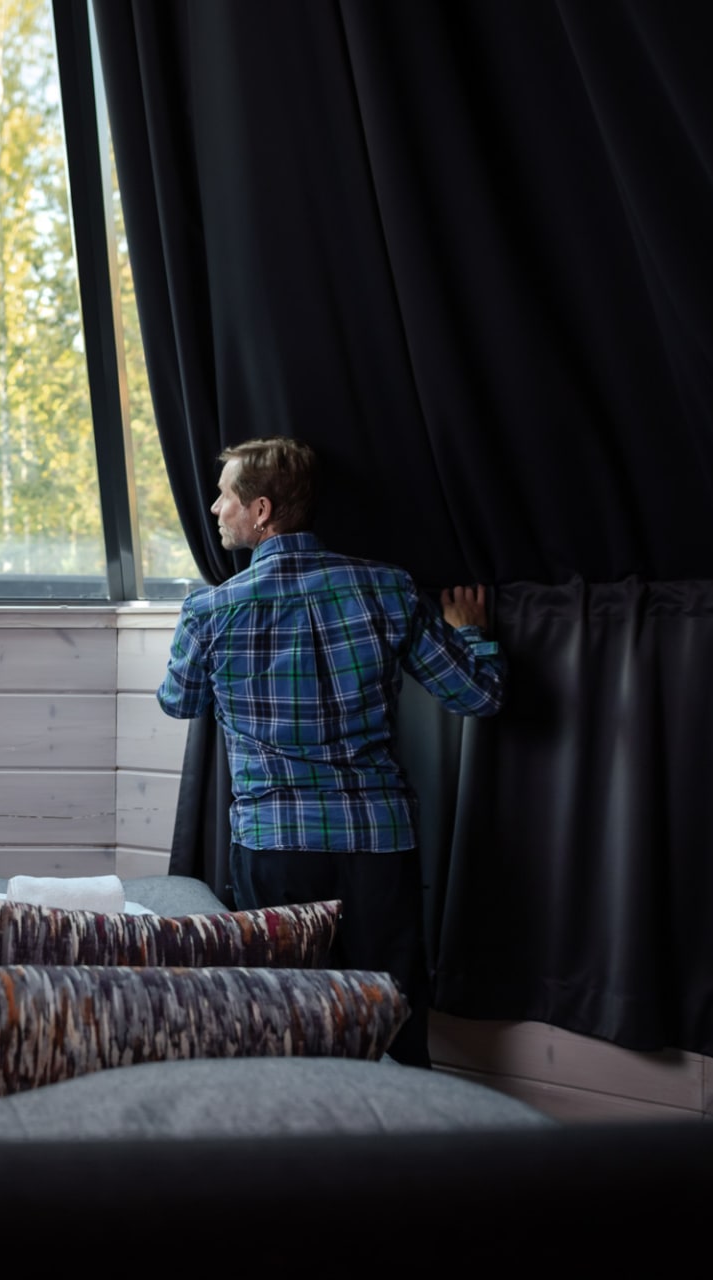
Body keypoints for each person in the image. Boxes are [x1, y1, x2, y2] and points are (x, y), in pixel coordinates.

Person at [156, 437, 503, 1067]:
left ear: (260, 510)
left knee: (286, 1013)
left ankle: (301, 1151)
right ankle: (407, 1148)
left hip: (274, 842)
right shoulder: (386, 589)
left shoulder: (210, 610)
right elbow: (478, 696)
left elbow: (179, 702)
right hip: (378, 838)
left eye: (224, 495)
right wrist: (471, 634)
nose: (211, 509)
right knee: (391, 1013)